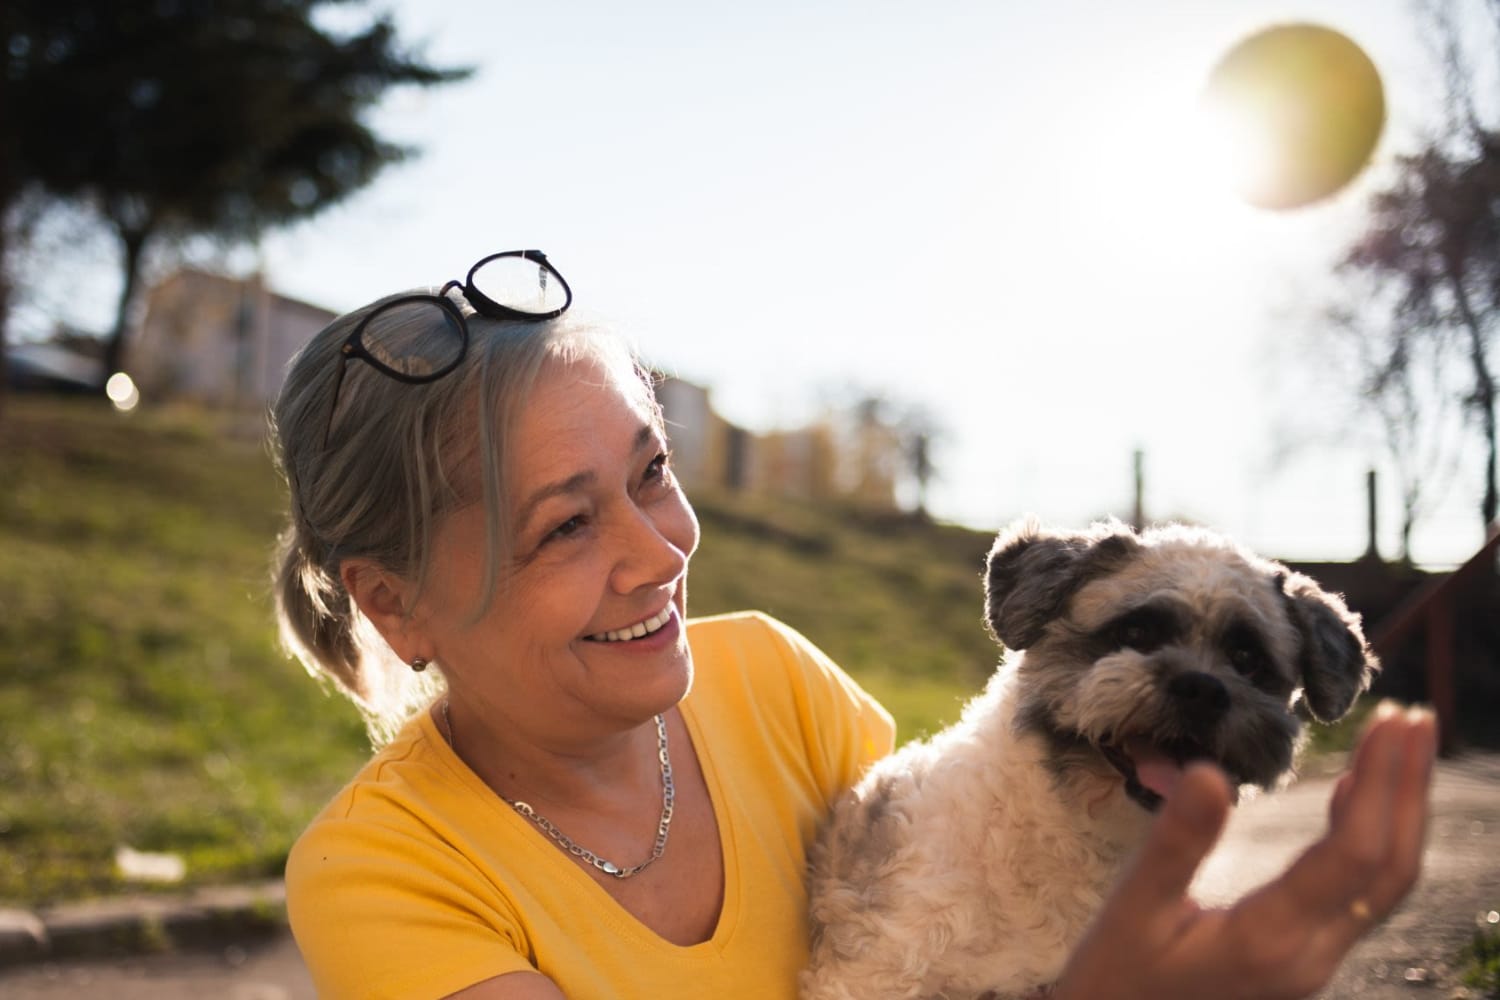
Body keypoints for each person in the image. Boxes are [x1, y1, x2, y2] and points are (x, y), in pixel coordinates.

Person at [272, 250, 1436, 1000]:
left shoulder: (778, 681)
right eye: (566, 527)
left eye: (653, 472)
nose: (660, 549)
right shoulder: (383, 873)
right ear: (393, 602)